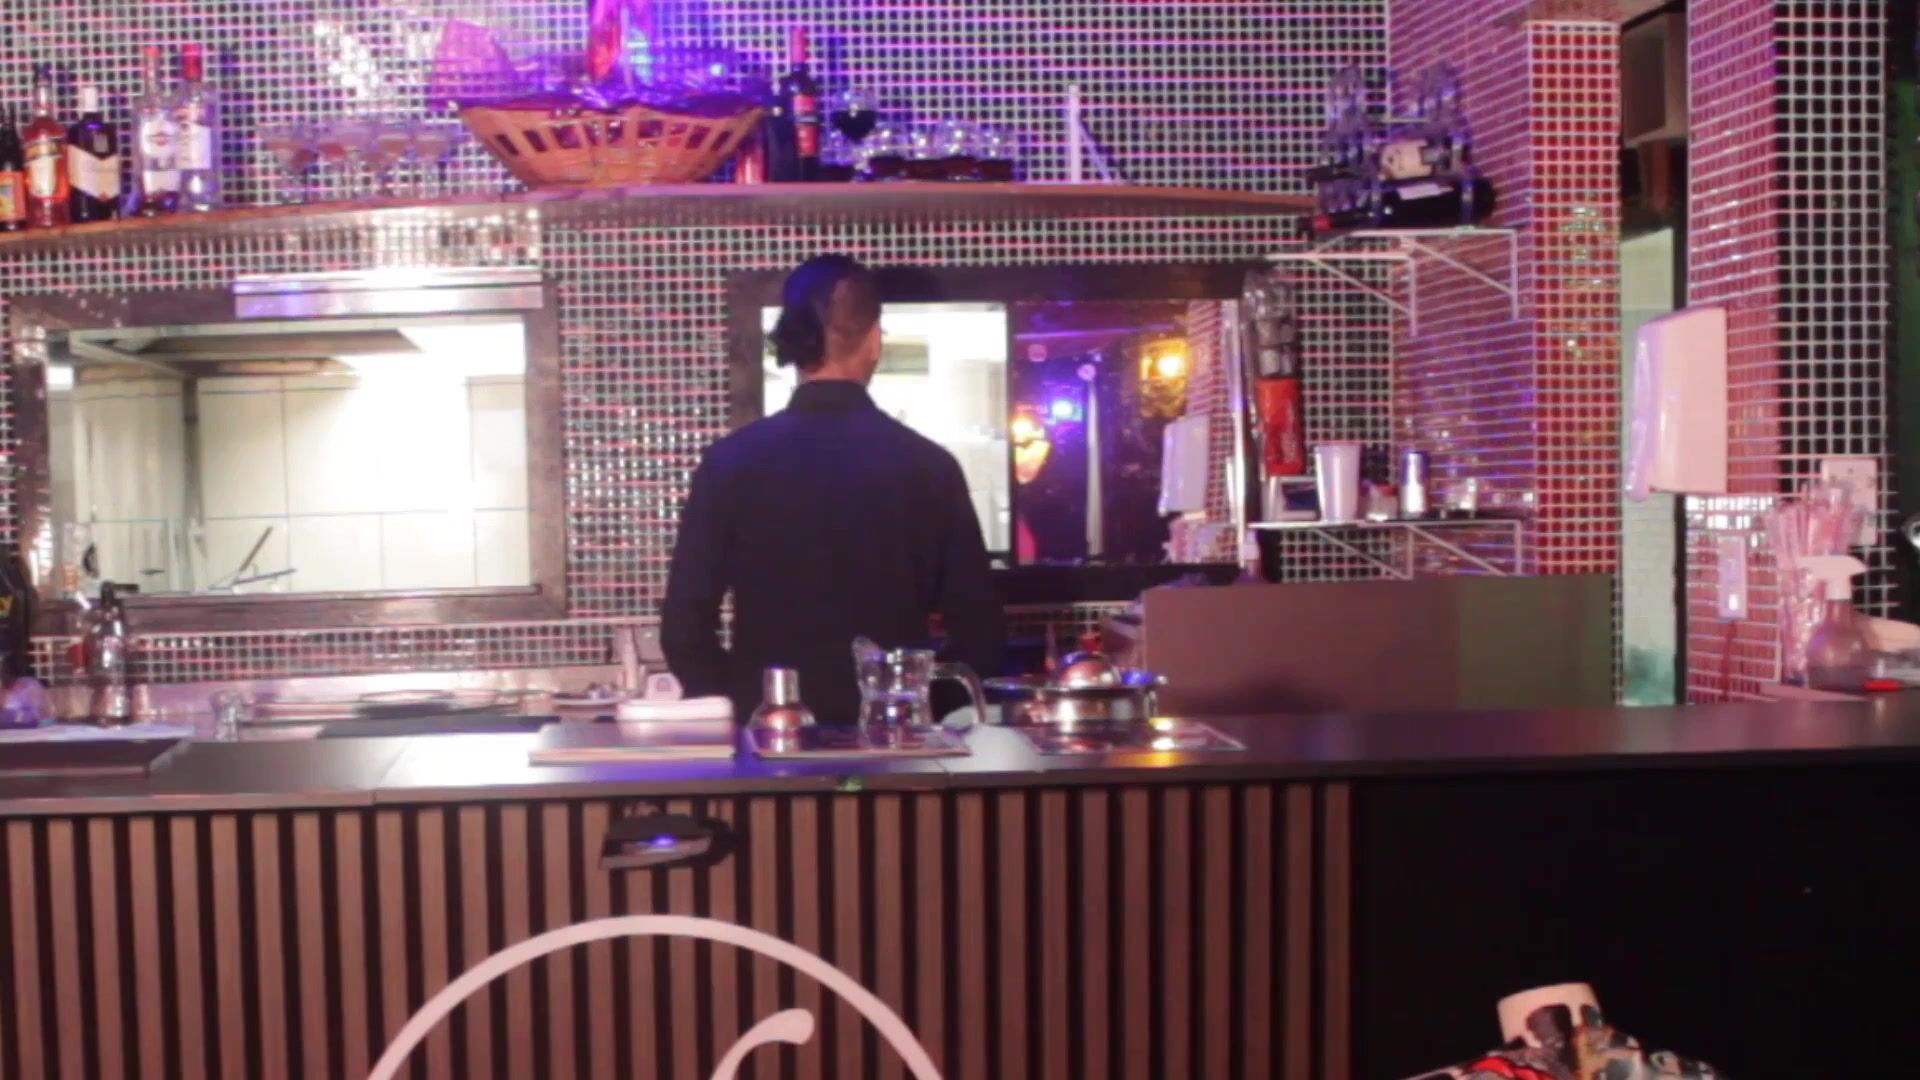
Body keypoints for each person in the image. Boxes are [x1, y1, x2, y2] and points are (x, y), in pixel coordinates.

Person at [661, 255, 1005, 724]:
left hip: (773, 741)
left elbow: (684, 633)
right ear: (875, 340)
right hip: (896, 743)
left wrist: (740, 703)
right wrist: (918, 702)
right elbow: (982, 638)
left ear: (793, 343)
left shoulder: (730, 463)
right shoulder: (930, 467)